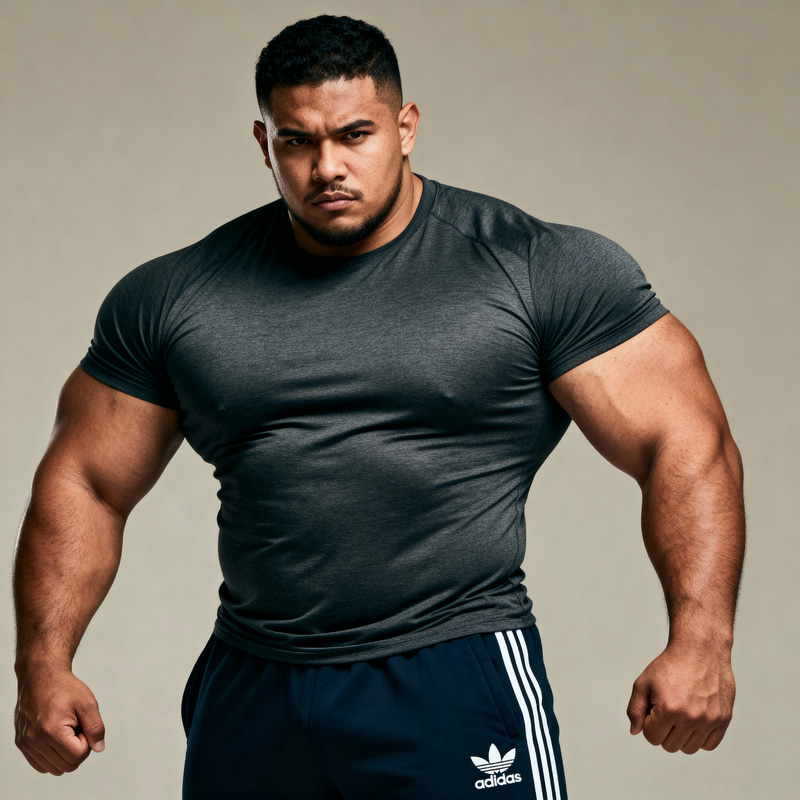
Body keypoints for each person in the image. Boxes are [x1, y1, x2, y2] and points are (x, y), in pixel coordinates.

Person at [13, 14, 745, 800]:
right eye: (297, 141)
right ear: (264, 144)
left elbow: (684, 440)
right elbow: (88, 481)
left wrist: (702, 640)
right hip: (252, 685)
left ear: (406, 128)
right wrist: (42, 663)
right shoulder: (176, 296)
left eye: (354, 134)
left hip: (449, 671)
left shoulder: (535, 267)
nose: (327, 166)